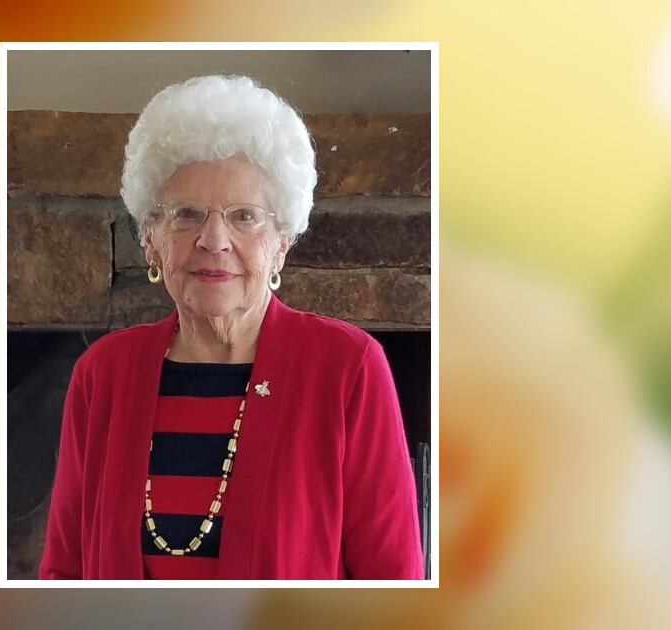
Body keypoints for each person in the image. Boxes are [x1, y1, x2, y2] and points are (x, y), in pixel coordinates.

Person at [38, 75, 423, 579]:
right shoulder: (103, 374)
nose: (214, 240)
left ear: (281, 241)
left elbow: (393, 584)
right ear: (150, 238)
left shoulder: (348, 368)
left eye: (244, 216)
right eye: (187, 214)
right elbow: (63, 574)